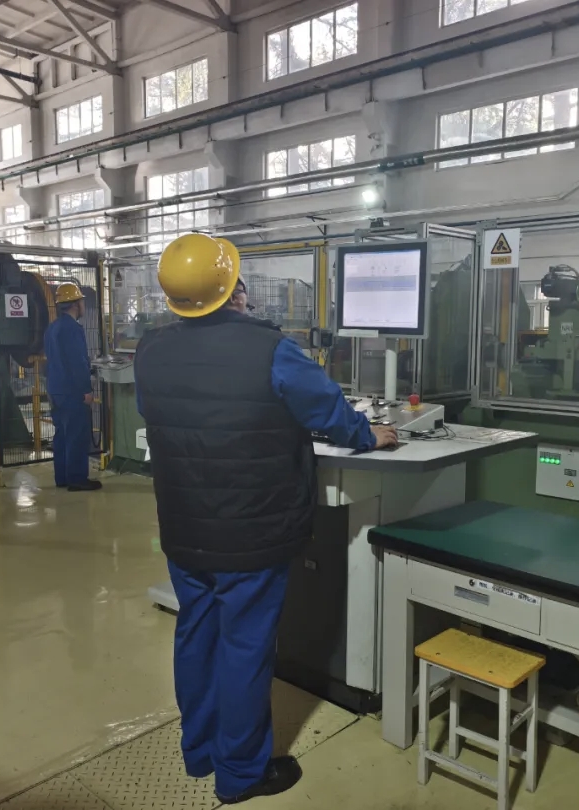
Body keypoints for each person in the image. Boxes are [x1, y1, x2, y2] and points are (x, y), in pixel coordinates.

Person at [134, 233, 397, 805]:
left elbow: (159, 414)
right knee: (246, 647)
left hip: (184, 527)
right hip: (251, 532)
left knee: (196, 635)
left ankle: (200, 752)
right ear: (234, 289)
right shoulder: (271, 350)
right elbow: (329, 413)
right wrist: (368, 434)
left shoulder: (151, 350)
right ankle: (241, 774)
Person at [43, 281, 101, 492]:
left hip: (55, 389)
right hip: (72, 391)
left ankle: (63, 477)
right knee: (77, 434)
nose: (83, 306)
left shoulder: (52, 328)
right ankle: (77, 479)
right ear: (76, 304)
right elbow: (77, 362)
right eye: (82, 302)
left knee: (62, 434)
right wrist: (86, 390)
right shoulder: (72, 329)